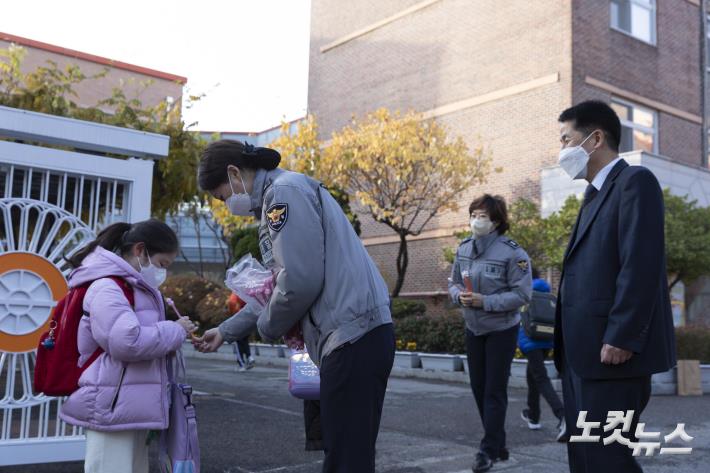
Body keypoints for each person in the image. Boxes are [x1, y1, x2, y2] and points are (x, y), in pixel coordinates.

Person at [192, 140, 395, 472]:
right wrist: (227, 331)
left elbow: (299, 281)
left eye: (222, 195)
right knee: (346, 452)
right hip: (354, 334)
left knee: (347, 459)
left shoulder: (283, 194)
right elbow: (279, 287)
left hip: (351, 336)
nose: (226, 203)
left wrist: (268, 327)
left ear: (234, 172)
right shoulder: (284, 193)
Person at [555, 100, 676, 473]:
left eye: (565, 139)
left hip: (613, 354)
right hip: (582, 355)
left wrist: (623, 335)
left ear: (595, 138)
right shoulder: (593, 195)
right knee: (586, 456)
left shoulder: (634, 182)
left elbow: (640, 264)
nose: (561, 151)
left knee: (607, 458)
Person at [59, 220, 196, 473]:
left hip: (127, 405)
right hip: (112, 407)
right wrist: (175, 330)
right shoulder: (107, 287)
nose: (162, 272)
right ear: (140, 250)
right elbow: (127, 342)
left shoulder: (131, 286)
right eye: (162, 264)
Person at [448, 194, 532, 473]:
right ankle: (500, 445)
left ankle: (487, 450)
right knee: (478, 388)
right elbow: (454, 284)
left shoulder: (513, 253)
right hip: (474, 328)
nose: (476, 220)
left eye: (482, 216)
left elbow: (522, 294)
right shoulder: (463, 249)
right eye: (473, 214)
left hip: (502, 329)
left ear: (496, 221)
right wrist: (460, 297)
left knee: (494, 391)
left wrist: (486, 301)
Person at [518, 267, 567, 441]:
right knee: (533, 376)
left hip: (531, 340)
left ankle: (563, 415)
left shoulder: (524, 292)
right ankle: (533, 415)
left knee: (541, 378)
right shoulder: (546, 291)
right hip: (546, 339)